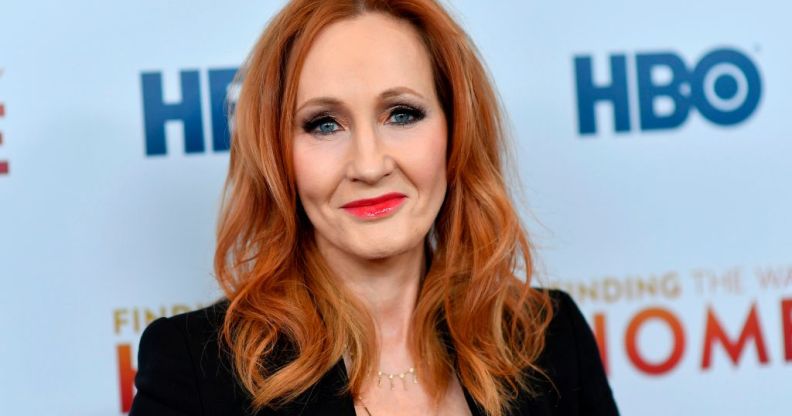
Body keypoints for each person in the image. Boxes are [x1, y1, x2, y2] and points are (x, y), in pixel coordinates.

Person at [129, 0, 619, 415]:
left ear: (455, 132)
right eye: (324, 124)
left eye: (401, 114)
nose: (368, 165)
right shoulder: (195, 369)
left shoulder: (551, 338)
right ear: (277, 155)